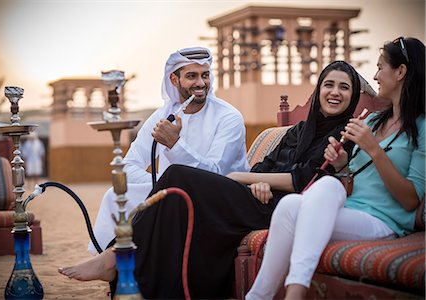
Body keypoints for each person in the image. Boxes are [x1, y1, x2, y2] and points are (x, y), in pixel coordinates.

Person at [59, 60, 363, 298]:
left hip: (281, 209)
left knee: (177, 176)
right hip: (255, 197)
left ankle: (116, 258)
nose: (335, 92)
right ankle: (136, 275)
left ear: (353, 97)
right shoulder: (298, 131)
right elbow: (265, 167)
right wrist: (257, 180)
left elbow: (306, 179)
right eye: (329, 84)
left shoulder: (344, 135)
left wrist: (243, 178)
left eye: (344, 88)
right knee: (176, 196)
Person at [247, 37, 425, 300]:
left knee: (321, 189)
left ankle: (295, 293)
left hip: (384, 220)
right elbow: (349, 182)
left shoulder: (421, 127)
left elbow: (411, 201)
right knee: (290, 205)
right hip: (351, 209)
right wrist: (342, 164)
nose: (375, 75)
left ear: (400, 72)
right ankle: (257, 297)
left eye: (380, 67)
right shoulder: (373, 121)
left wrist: (373, 149)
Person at [89, 46, 249, 254]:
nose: (201, 83)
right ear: (174, 80)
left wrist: (175, 145)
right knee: (116, 195)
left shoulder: (228, 117)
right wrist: (163, 185)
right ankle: (117, 265)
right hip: (174, 193)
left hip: (218, 198)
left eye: (205, 75)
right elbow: (129, 165)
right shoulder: (163, 116)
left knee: (169, 199)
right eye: (192, 76)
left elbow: (216, 174)